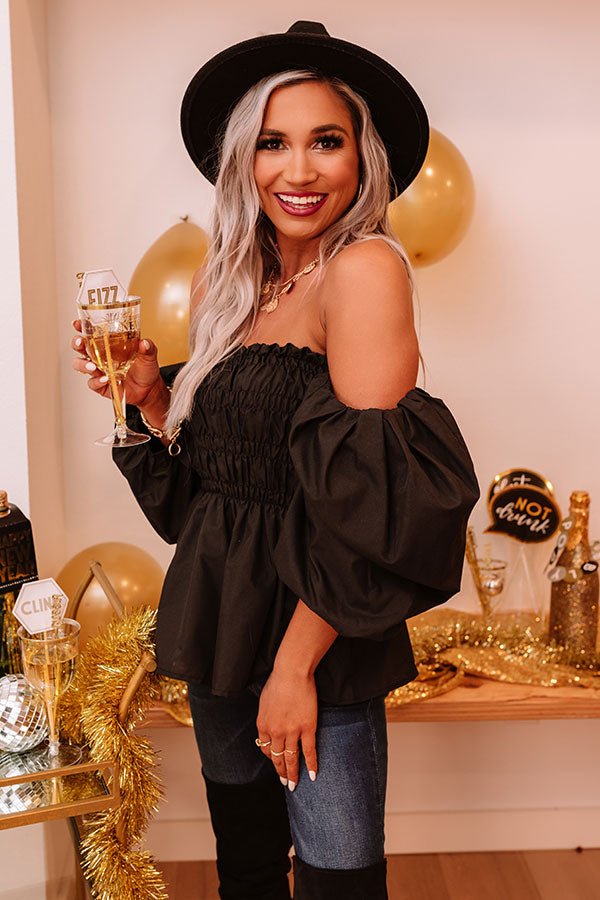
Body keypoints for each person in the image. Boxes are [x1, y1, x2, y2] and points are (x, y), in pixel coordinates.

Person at [72, 21, 479, 900]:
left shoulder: (363, 270)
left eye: (325, 141)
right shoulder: (234, 285)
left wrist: (295, 672)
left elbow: (369, 505)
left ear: (362, 156)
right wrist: (152, 400)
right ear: (242, 160)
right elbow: (212, 502)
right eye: (272, 143)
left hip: (315, 641)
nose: (299, 170)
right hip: (223, 623)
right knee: (248, 869)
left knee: (337, 883)